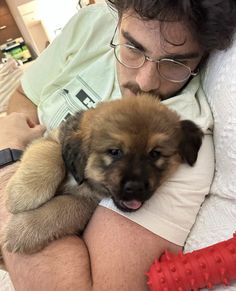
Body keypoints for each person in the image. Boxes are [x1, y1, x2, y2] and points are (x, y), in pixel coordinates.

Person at [0, 1, 235, 290]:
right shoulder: (91, 24)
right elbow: (24, 96)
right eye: (133, 48)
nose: (145, 82)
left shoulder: (181, 133)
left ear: (202, 57)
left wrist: (8, 152)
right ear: (118, 18)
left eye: (176, 62)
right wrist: (19, 127)